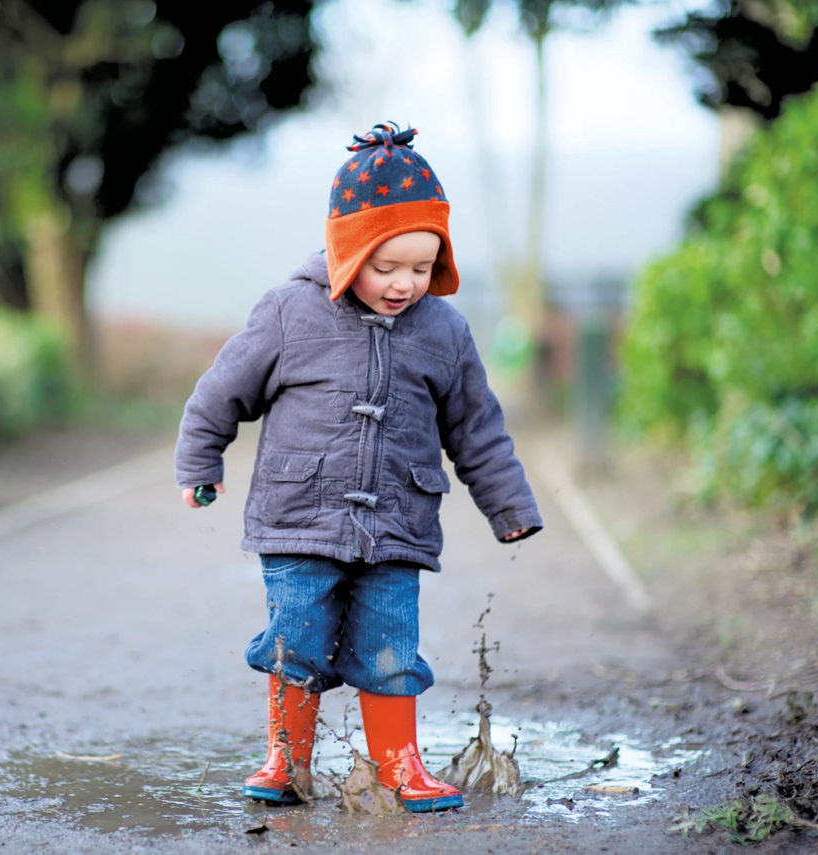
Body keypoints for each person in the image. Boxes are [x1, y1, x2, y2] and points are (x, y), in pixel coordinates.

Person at [174, 122, 543, 812]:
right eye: (387, 265)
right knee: (297, 641)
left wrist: (509, 506)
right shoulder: (289, 312)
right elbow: (221, 390)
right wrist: (200, 460)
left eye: (422, 267)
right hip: (298, 518)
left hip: (398, 521)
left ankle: (399, 762)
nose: (405, 283)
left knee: (390, 646)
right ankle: (287, 758)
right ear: (347, 251)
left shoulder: (445, 331)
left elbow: (477, 427)